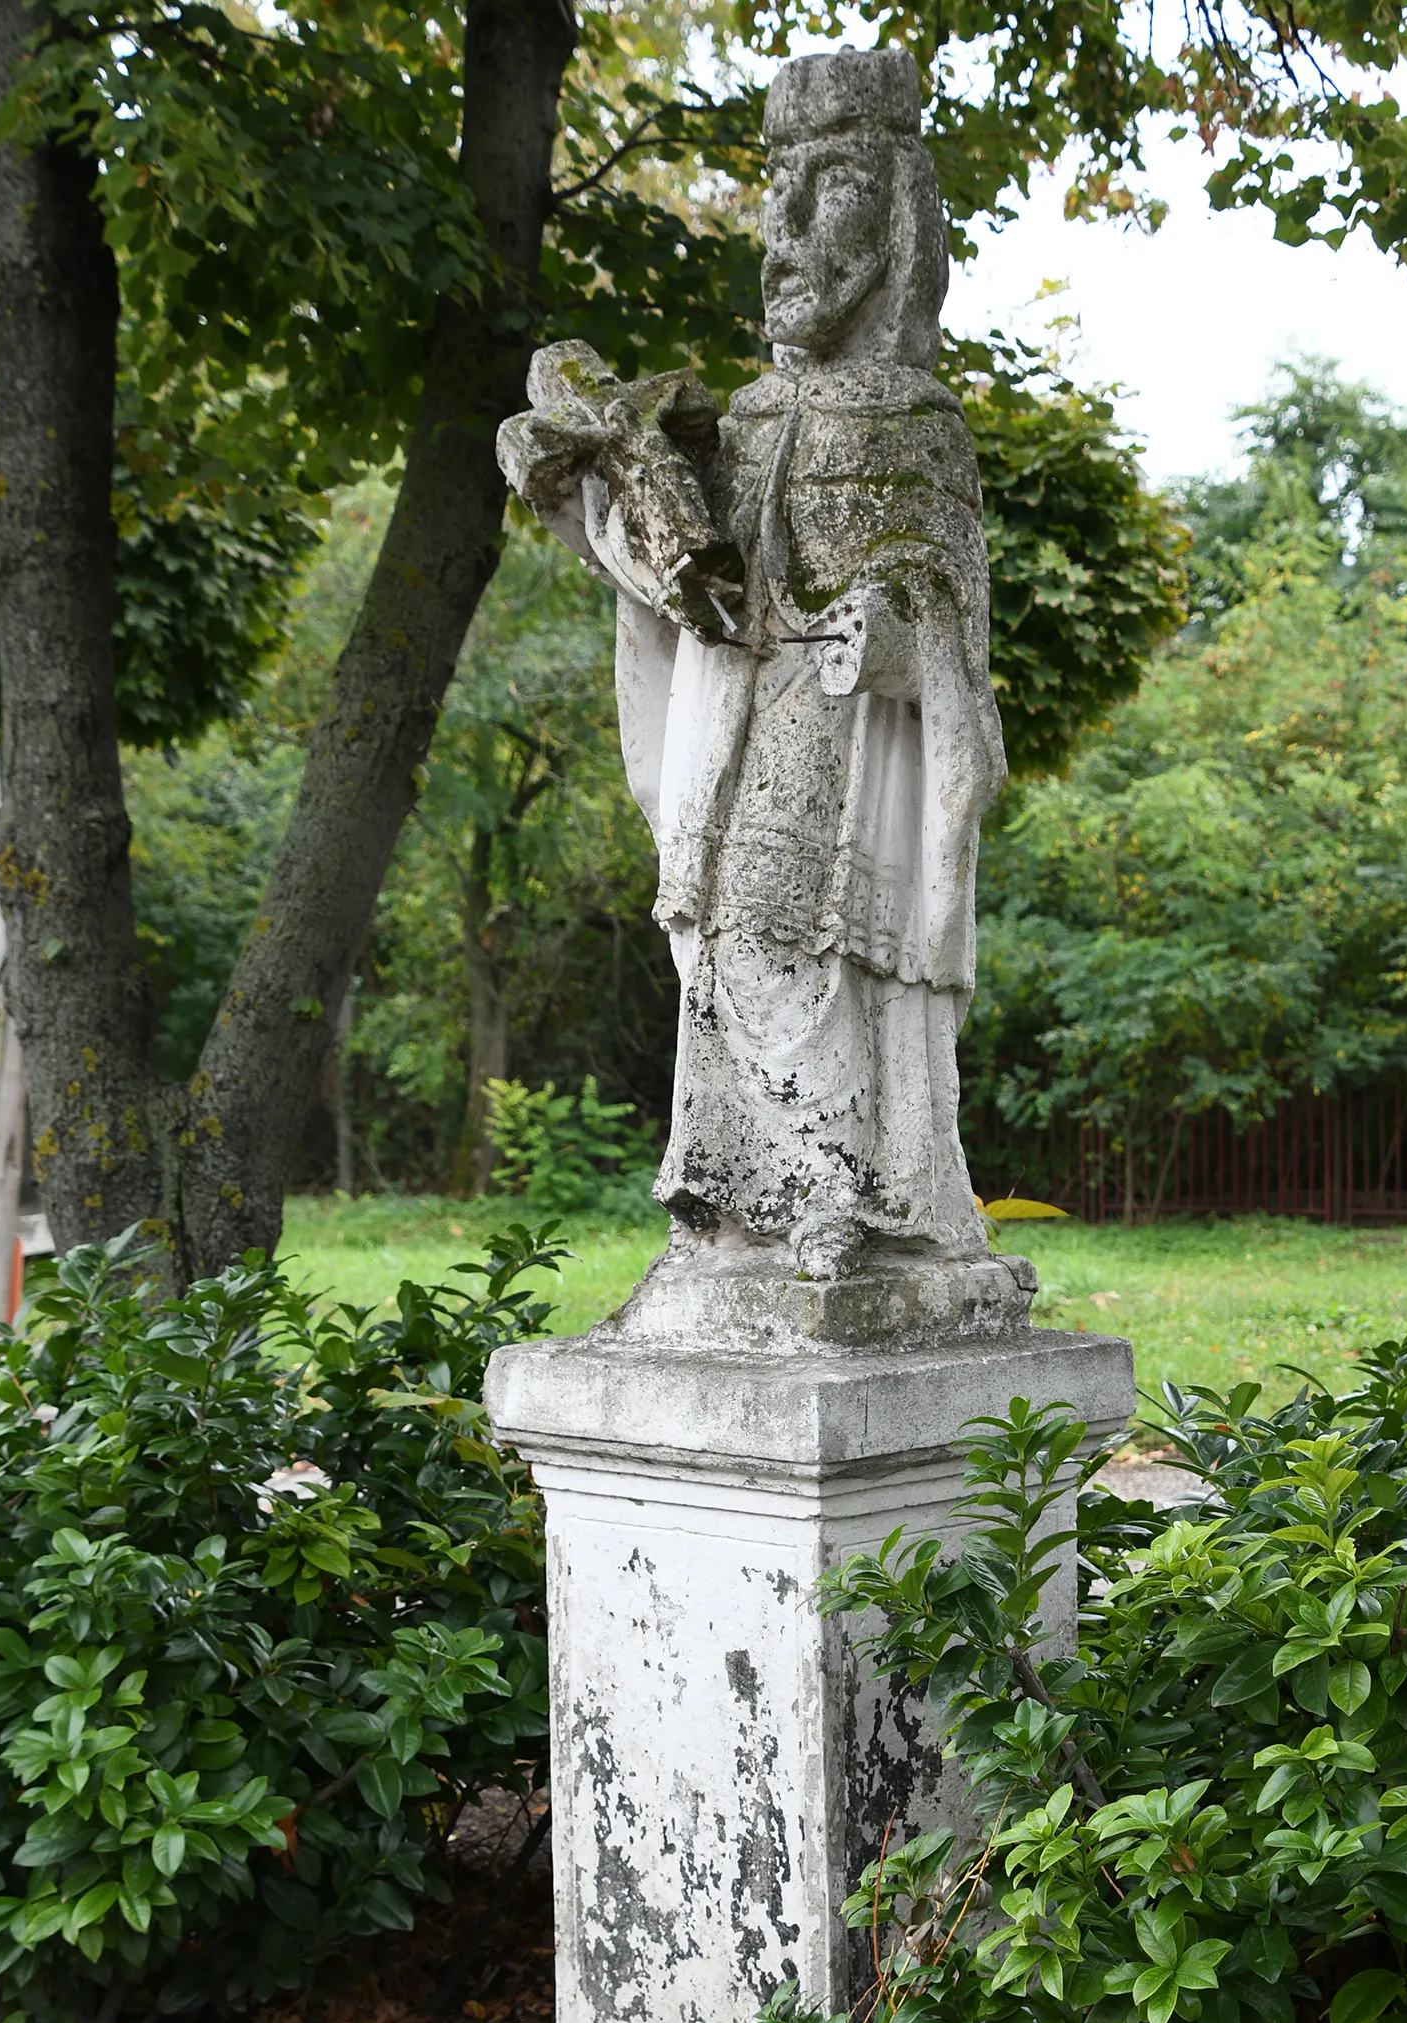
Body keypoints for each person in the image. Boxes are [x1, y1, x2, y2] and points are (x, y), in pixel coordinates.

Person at [501, 46, 1008, 1305]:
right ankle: (731, 1204)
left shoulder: (916, 424)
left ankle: (854, 1201)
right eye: (774, 184)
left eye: (826, 187)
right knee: (727, 959)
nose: (780, 228)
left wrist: (895, 630)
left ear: (893, 215)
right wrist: (594, 497)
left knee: (824, 959)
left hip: (846, 765)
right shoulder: (743, 416)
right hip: (733, 746)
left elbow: (950, 627)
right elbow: (690, 579)